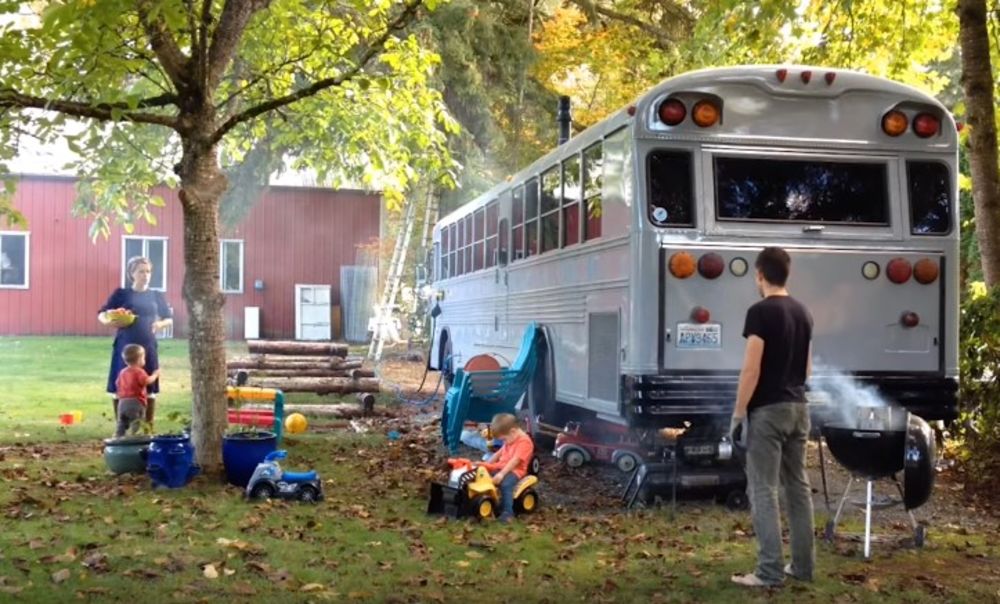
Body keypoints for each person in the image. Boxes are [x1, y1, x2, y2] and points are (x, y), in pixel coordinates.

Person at [730, 247, 815, 587]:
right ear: (787, 274)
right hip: (799, 407)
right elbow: (807, 368)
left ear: (761, 274)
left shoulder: (760, 313)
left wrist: (738, 414)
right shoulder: (804, 312)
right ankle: (803, 567)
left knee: (763, 490)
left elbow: (752, 368)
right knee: (798, 488)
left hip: (767, 411)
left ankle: (768, 572)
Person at [98, 256, 172, 427]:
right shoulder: (121, 294)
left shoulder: (156, 295)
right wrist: (108, 321)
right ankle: (121, 426)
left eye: (148, 271)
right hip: (125, 344)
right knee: (120, 384)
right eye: (141, 271)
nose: (145, 275)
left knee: (150, 386)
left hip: (148, 345)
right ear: (132, 274)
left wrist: (160, 324)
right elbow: (102, 312)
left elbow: (168, 318)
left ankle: (148, 426)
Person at [479, 413, 534, 523]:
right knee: (483, 476)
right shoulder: (511, 439)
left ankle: (508, 513)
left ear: (513, 431)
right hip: (502, 467)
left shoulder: (525, 443)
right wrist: (486, 465)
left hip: (515, 471)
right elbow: (497, 454)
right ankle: (490, 501)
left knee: (506, 485)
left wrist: (501, 474)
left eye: (504, 439)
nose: (504, 442)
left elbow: (515, 461)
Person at [114, 344, 161, 437]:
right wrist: (155, 375)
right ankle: (135, 439)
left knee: (122, 422)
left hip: (122, 402)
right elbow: (146, 381)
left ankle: (118, 437)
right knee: (137, 422)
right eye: (144, 358)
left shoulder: (122, 372)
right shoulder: (139, 371)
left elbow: (117, 383)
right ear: (140, 360)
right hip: (136, 402)